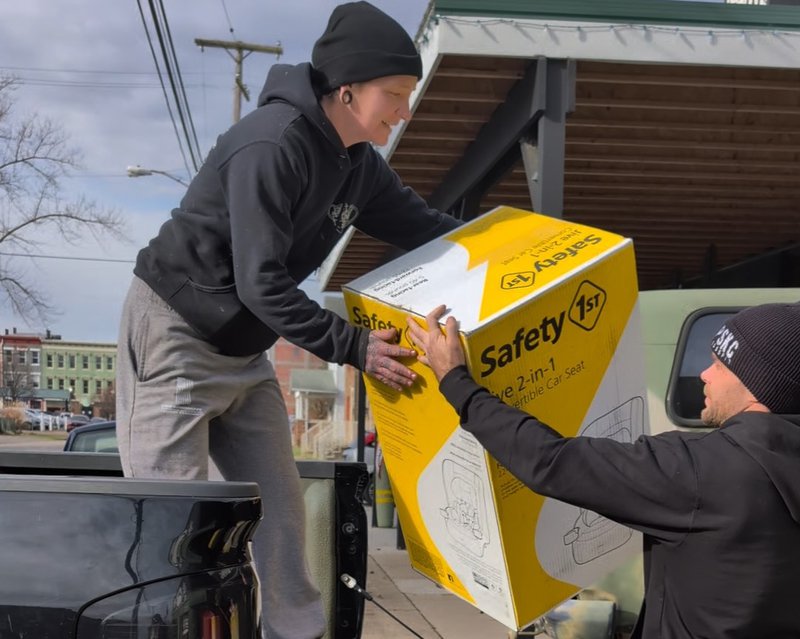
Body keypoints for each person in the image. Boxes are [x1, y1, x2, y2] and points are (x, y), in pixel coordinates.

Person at [115, 3, 459, 638]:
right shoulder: (273, 144)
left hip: (244, 349)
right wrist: (354, 345)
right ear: (348, 89)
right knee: (175, 527)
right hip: (176, 334)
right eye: (396, 95)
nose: (403, 112)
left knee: (280, 514)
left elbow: (427, 231)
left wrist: (511, 247)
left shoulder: (359, 165)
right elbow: (261, 282)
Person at [406, 302, 800, 638]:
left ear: (757, 383)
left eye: (718, 364)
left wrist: (457, 383)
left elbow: (551, 461)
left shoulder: (700, 471)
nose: (704, 374)